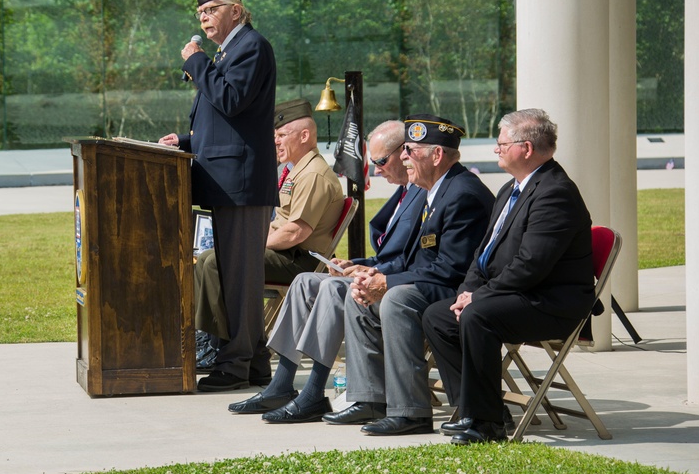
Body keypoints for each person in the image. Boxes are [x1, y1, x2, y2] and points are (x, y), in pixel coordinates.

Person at [227, 120, 425, 419]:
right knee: (305, 282)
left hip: (400, 286)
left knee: (332, 289)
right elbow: (393, 252)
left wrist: (375, 272)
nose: (376, 169)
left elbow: (414, 259)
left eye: (382, 161)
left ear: (404, 152)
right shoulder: (403, 194)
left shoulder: (423, 193)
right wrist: (359, 264)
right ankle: (282, 383)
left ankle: (313, 392)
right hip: (381, 274)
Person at [423, 109, 594, 445]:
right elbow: (482, 254)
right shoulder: (509, 190)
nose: (496, 150)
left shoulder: (554, 193)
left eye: (502, 144)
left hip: (550, 303)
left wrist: (479, 298)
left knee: (478, 316)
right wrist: (466, 291)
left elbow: (531, 265)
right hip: (517, 295)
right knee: (437, 316)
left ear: (526, 149)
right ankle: (475, 409)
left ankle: (487, 425)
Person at [325, 114, 494, 433]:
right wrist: (373, 278)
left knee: (397, 300)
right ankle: (371, 399)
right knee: (360, 297)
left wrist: (389, 283)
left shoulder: (462, 193)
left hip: (459, 291)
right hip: (435, 284)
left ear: (437, 155)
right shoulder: (435, 190)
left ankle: (411, 412)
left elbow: (452, 268)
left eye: (410, 151)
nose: (403, 157)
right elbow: (415, 260)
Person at [158, 0, 277, 393]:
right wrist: (186, 141)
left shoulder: (251, 47)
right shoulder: (229, 51)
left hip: (240, 184)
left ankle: (236, 362)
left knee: (239, 279)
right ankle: (256, 362)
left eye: (212, 10)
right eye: (200, 13)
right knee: (231, 275)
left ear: (237, 12)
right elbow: (228, 120)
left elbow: (230, 100)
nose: (204, 18)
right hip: (225, 179)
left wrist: (195, 62)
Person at [195, 98, 345, 369]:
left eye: (281, 135)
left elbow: (295, 233)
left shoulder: (313, 175)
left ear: (305, 135)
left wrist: (247, 245)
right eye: (274, 135)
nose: (275, 141)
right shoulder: (296, 170)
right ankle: (211, 339)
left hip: (298, 261)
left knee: (218, 261)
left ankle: (219, 342)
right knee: (207, 258)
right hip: (284, 255)